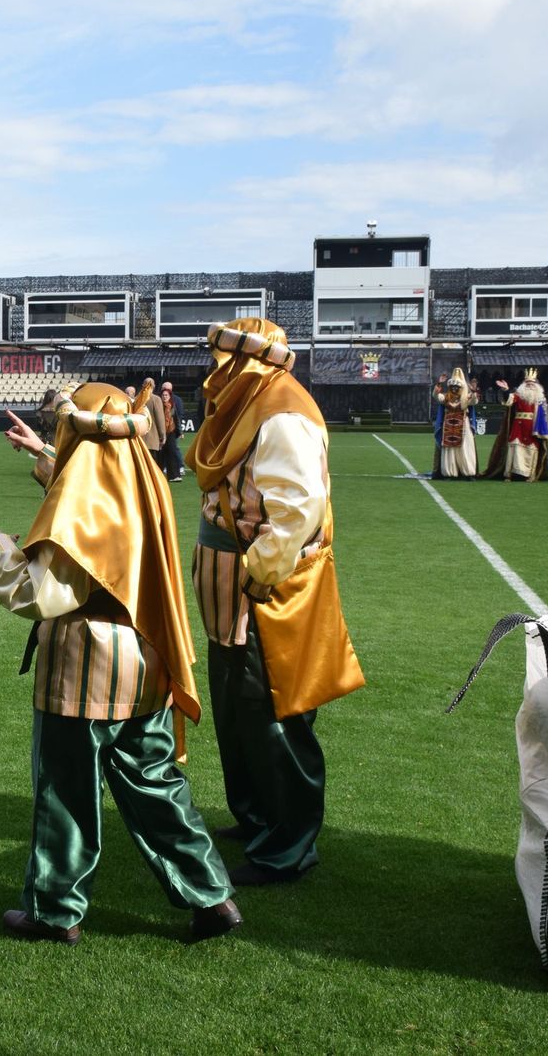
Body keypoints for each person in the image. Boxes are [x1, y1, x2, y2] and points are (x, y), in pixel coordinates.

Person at [0, 381, 240, 944]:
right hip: (145, 658)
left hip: (83, 665)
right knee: (155, 786)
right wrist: (43, 455)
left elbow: (41, 595)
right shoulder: (145, 480)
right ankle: (211, 894)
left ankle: (55, 910)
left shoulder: (82, 499)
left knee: (67, 794)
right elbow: (98, 486)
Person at [185, 319, 364, 887]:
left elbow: (297, 509)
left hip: (264, 587)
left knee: (275, 713)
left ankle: (288, 843)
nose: (212, 373)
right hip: (228, 584)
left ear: (247, 363)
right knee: (238, 706)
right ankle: (258, 815)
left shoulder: (283, 410)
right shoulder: (245, 406)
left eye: (222, 360)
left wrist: (260, 575)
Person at [479, 369, 548, 481]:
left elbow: (544, 416)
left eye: (532, 384)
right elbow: (509, 401)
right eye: (527, 383)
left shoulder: (540, 398)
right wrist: (506, 390)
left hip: (532, 428)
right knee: (515, 447)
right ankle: (511, 474)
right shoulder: (518, 395)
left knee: (531, 449)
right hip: (518, 426)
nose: (529, 386)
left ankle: (529, 475)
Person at [431, 368, 478, 480]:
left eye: (457, 387)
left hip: (464, 425)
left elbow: (474, 401)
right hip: (448, 426)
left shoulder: (466, 397)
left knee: (465, 448)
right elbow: (436, 396)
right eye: (452, 387)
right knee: (449, 450)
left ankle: (468, 473)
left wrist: (474, 391)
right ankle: (449, 473)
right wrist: (439, 383)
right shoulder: (446, 397)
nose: (455, 389)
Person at [160, 382, 186, 481]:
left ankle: (175, 475)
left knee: (172, 452)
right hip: (161, 432)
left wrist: (180, 432)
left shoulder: (172, 405)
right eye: (163, 395)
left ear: (170, 395)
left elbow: (177, 419)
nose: (164, 396)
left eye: (166, 395)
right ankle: (159, 474)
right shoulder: (158, 405)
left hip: (171, 431)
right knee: (160, 453)